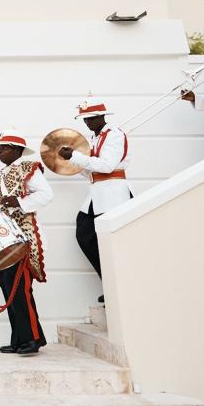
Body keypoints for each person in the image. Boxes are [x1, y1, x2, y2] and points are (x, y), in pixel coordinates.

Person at [0, 129, 52, 356]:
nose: (0, 152)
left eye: (4, 148)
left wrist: (20, 202)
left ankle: (32, 339)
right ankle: (19, 339)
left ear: (16, 150)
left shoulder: (28, 169)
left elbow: (46, 195)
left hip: (23, 237)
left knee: (20, 288)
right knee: (9, 288)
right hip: (5, 240)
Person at [58, 98, 130, 303]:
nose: (86, 123)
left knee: (110, 242)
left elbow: (107, 166)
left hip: (114, 194)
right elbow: (91, 170)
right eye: (84, 119)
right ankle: (110, 284)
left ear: (101, 116)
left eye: (89, 118)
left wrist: (76, 157)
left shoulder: (115, 135)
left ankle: (118, 288)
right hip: (97, 192)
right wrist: (71, 160)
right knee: (85, 235)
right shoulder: (96, 138)